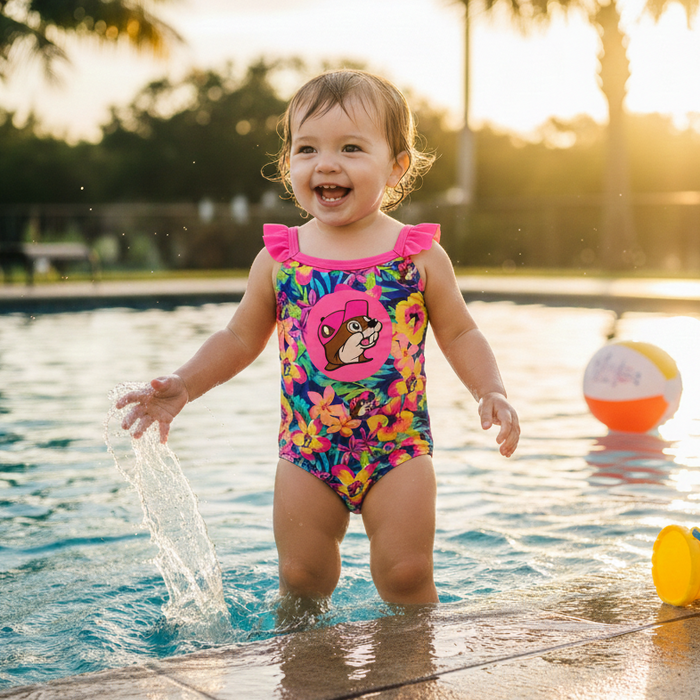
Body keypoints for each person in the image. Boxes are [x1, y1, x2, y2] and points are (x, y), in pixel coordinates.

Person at [117, 69, 520, 607]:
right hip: (308, 450)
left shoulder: (416, 254)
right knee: (302, 578)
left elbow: (461, 330)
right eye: (307, 148)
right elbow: (239, 337)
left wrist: (489, 389)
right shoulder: (280, 258)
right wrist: (185, 384)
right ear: (289, 165)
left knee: (405, 573)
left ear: (397, 166)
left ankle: (411, 681)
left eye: (351, 147)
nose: (326, 163)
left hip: (396, 448)